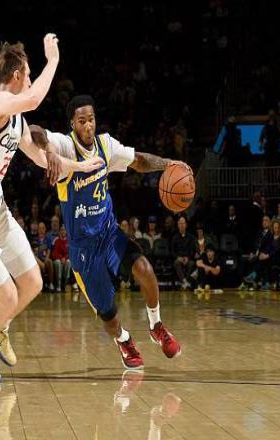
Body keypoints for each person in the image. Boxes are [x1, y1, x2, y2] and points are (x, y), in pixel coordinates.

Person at [0, 37, 104, 382]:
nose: (32, 81)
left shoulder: (16, 120)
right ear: (17, 75)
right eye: (30, 75)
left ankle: (0, 326)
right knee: (6, 295)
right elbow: (33, 99)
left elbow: (41, 159)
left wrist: (81, 167)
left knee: (33, 282)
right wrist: (54, 59)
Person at [30, 95, 188, 369]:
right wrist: (49, 150)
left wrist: (169, 164)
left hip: (109, 234)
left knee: (145, 269)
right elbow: (34, 131)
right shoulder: (65, 146)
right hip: (84, 251)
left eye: (91, 119)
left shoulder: (105, 145)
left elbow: (138, 161)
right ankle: (124, 340)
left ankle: (156, 326)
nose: (88, 125)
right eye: (82, 121)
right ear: (72, 124)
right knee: (109, 316)